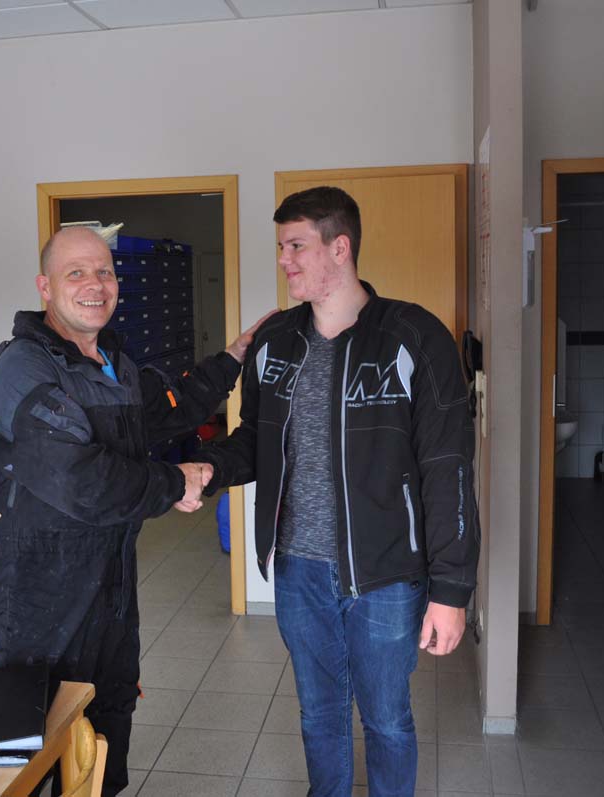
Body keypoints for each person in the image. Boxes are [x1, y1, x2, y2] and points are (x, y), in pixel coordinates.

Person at [193, 186, 481, 796]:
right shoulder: (275, 342)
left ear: (340, 247)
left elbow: (448, 467)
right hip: (298, 570)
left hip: (386, 574)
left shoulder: (413, 336)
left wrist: (451, 590)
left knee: (387, 720)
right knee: (319, 715)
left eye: (296, 246)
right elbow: (254, 441)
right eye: (281, 247)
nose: (284, 260)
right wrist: (206, 470)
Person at [0, 227, 266, 796]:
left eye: (104, 272)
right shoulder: (25, 370)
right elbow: (81, 479)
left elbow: (169, 407)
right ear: (45, 287)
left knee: (105, 740)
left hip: (110, 592)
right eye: (76, 273)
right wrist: (173, 482)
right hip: (39, 603)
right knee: (37, 755)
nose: (95, 285)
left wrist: (232, 359)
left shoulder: (113, 364)